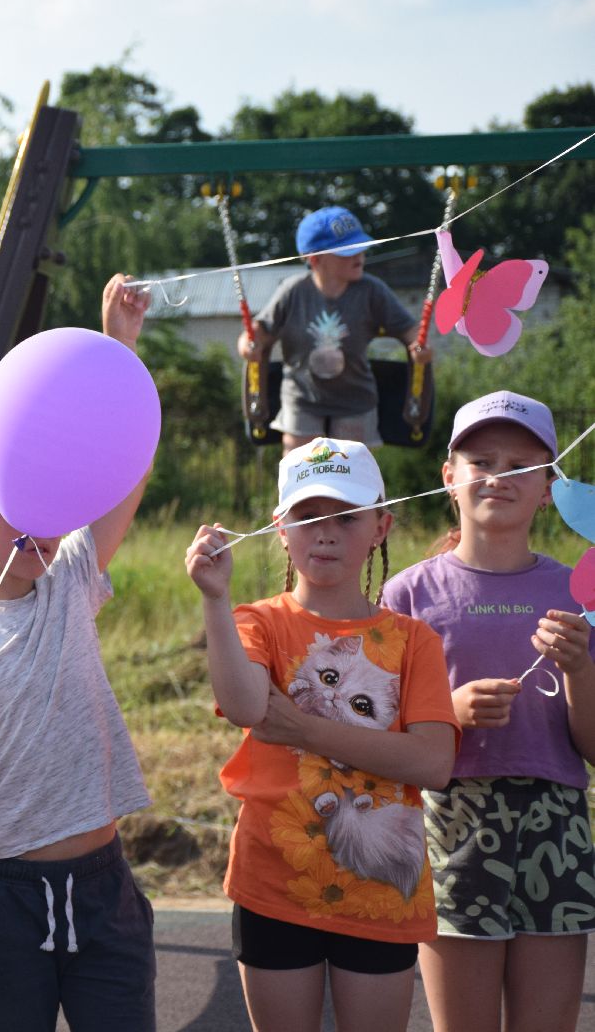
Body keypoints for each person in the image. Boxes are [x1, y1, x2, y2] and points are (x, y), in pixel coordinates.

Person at [0, 274, 157, 1030]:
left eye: (51, 495)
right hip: (1, 899)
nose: (42, 518)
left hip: (105, 889)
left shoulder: (72, 576)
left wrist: (119, 349)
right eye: (16, 502)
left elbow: (127, 472)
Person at [185, 437, 459, 1030]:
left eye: (345, 516)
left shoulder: (415, 641)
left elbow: (434, 763)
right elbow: (244, 706)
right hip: (272, 883)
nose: (325, 532)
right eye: (307, 516)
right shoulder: (254, 620)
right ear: (280, 528)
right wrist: (215, 599)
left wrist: (301, 726)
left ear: (380, 527)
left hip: (382, 888)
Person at [380, 391, 595, 1032]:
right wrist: (449, 712)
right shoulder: (407, 593)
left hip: (558, 825)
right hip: (451, 822)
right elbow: (378, 732)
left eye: (521, 465)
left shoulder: (578, 590)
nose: (499, 475)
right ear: (450, 478)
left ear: (549, 488)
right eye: (481, 460)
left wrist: (580, 668)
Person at [237, 206, 431, 451]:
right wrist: (248, 345)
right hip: (302, 399)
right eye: (347, 251)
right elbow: (259, 332)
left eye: (360, 247)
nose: (359, 255)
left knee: (353, 473)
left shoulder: (371, 290)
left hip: (356, 400)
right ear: (316, 259)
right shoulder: (293, 291)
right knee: (299, 470)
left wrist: (419, 345)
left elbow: (409, 329)